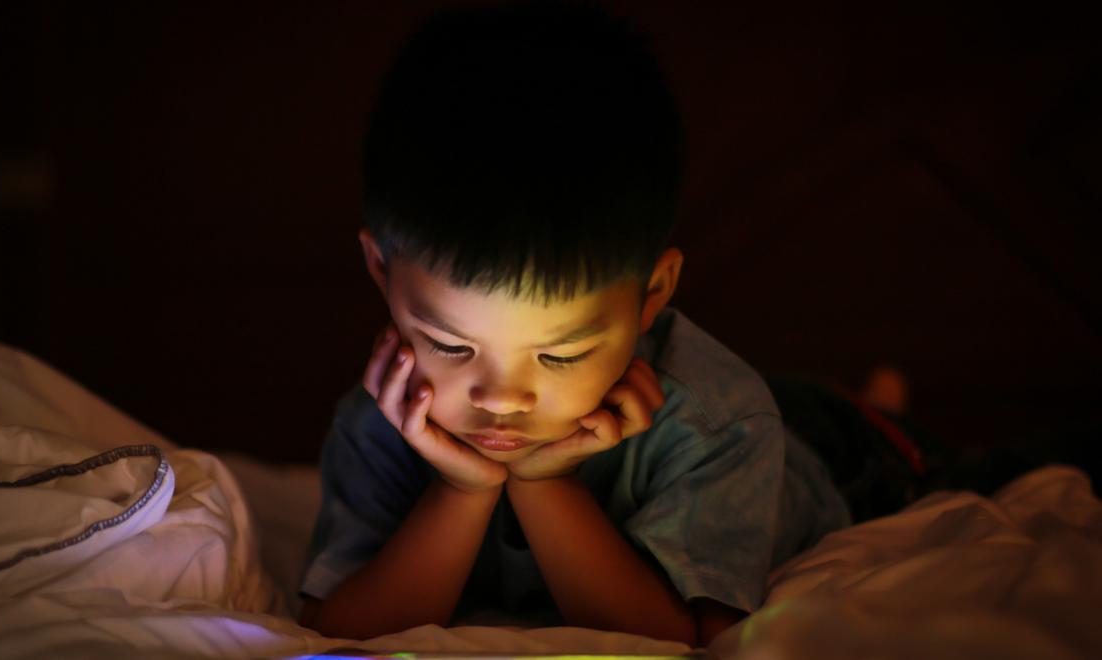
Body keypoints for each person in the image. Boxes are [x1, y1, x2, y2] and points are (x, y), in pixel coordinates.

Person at [296, 2, 853, 646]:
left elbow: (686, 640)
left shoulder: (721, 425)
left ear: (653, 294)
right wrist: (460, 492)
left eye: (560, 355)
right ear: (380, 269)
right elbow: (334, 631)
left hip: (834, 452)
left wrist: (545, 482)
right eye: (449, 345)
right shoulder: (386, 418)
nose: (502, 398)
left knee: (854, 436)